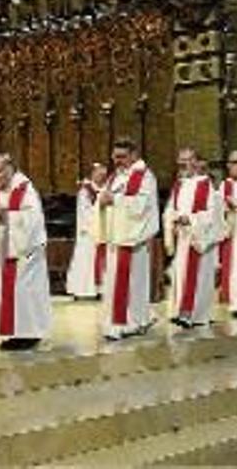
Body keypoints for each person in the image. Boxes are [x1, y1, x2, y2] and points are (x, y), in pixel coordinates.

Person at [0, 153, 52, 351]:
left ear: (10, 167)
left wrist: (8, 216)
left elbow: (34, 220)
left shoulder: (25, 189)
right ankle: (13, 333)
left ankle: (30, 334)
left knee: (26, 294)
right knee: (10, 295)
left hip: (25, 255)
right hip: (6, 252)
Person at [94, 138, 160, 340]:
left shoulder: (143, 176)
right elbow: (106, 198)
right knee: (117, 282)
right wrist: (102, 200)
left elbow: (140, 206)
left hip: (133, 241)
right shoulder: (116, 176)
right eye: (115, 157)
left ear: (134, 155)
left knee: (131, 283)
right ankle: (126, 320)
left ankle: (130, 322)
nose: (117, 161)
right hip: (117, 238)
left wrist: (113, 199)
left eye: (122, 157)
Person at [163, 147, 222, 329]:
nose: (183, 163)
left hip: (197, 238)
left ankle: (194, 314)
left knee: (197, 277)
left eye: (187, 159)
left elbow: (211, 214)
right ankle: (180, 310)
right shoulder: (179, 184)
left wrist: (192, 219)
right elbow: (170, 209)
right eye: (180, 160)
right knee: (180, 274)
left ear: (195, 162)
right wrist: (172, 219)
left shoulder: (205, 184)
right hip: (182, 238)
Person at [66, 163, 108, 299]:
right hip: (88, 231)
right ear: (92, 174)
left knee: (101, 259)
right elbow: (85, 212)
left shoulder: (105, 189)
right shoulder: (85, 191)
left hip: (103, 230)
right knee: (86, 259)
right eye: (99, 173)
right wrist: (99, 206)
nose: (102, 176)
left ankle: (99, 289)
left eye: (103, 174)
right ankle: (81, 290)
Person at [220, 150, 237, 317]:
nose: (233, 166)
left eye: (235, 162)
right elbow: (218, 209)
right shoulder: (226, 185)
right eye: (231, 162)